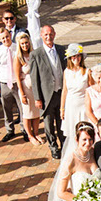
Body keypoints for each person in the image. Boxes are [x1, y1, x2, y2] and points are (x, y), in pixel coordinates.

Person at [29, 25, 66, 159]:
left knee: (62, 121)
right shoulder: (36, 54)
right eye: (45, 34)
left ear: (54, 34)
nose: (48, 37)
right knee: (49, 124)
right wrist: (38, 98)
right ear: (41, 36)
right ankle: (53, 146)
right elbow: (34, 78)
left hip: (61, 92)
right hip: (46, 95)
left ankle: (64, 143)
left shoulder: (62, 50)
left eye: (50, 34)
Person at [0, 28, 25, 143]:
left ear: (10, 35)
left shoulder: (17, 47)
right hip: (4, 83)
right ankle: (10, 130)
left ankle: (24, 129)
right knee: (7, 108)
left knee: (22, 108)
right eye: (3, 38)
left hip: (17, 82)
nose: (5, 39)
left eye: (7, 36)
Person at [13, 32, 43, 147]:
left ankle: (36, 133)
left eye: (26, 43)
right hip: (25, 88)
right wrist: (22, 92)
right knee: (27, 113)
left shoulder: (33, 54)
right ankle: (30, 135)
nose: (25, 45)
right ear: (19, 45)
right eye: (22, 44)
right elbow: (17, 77)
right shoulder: (18, 58)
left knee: (36, 112)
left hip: (35, 87)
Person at [60, 43, 88, 142]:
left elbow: (91, 90)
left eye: (78, 55)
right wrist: (62, 108)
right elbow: (65, 90)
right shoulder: (66, 72)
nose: (76, 58)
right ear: (70, 58)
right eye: (73, 56)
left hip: (83, 106)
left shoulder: (87, 71)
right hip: (70, 106)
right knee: (71, 132)